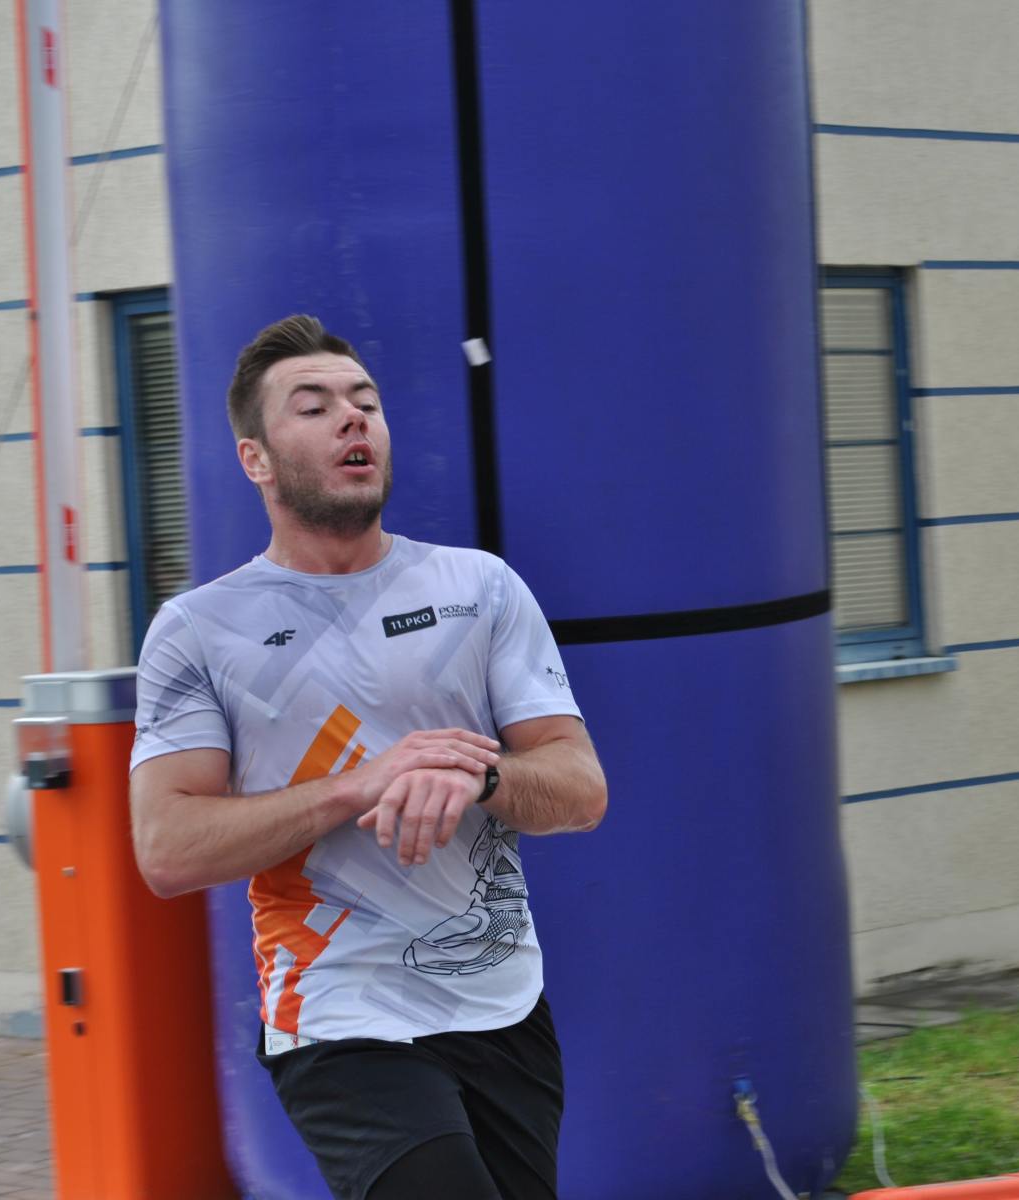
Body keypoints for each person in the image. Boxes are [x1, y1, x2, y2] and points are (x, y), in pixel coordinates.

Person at [129, 314, 607, 1200]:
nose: (353, 418)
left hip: (500, 1001)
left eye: (366, 403)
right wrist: (357, 786)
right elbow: (167, 848)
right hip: (337, 1010)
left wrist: (481, 774)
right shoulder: (199, 630)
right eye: (313, 407)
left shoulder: (480, 589)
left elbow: (580, 791)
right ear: (255, 460)